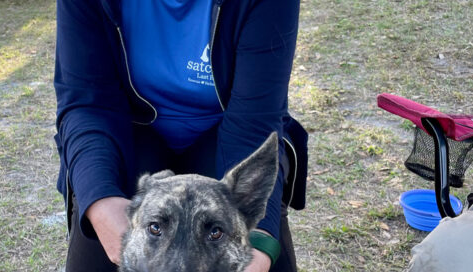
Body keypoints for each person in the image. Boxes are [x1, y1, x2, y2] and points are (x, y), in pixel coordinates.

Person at [53, 0, 308, 271]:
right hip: (128, 134)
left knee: (263, 257)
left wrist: (259, 241)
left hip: (230, 134)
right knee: (95, 255)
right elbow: (87, 104)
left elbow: (254, 122)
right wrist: (101, 202)